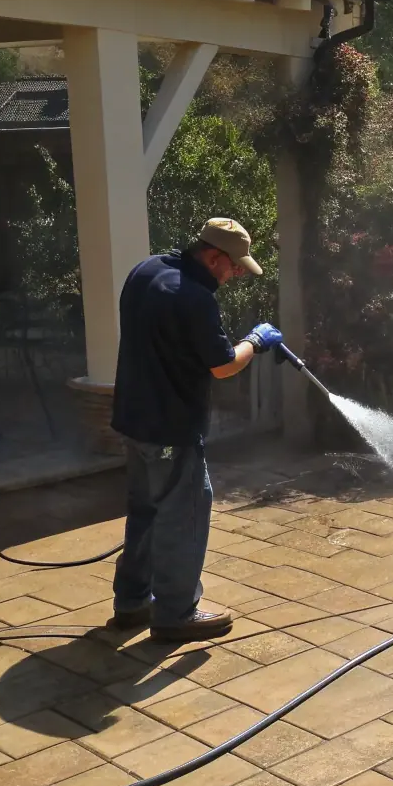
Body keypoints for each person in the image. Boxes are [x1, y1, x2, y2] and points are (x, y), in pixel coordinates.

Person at [108, 217, 283, 642]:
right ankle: (175, 613)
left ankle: (132, 603)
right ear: (212, 256)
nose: (237, 273)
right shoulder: (194, 297)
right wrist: (256, 342)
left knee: (147, 510)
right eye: (234, 266)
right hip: (170, 426)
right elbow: (223, 365)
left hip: (133, 417)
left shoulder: (146, 269)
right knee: (183, 513)